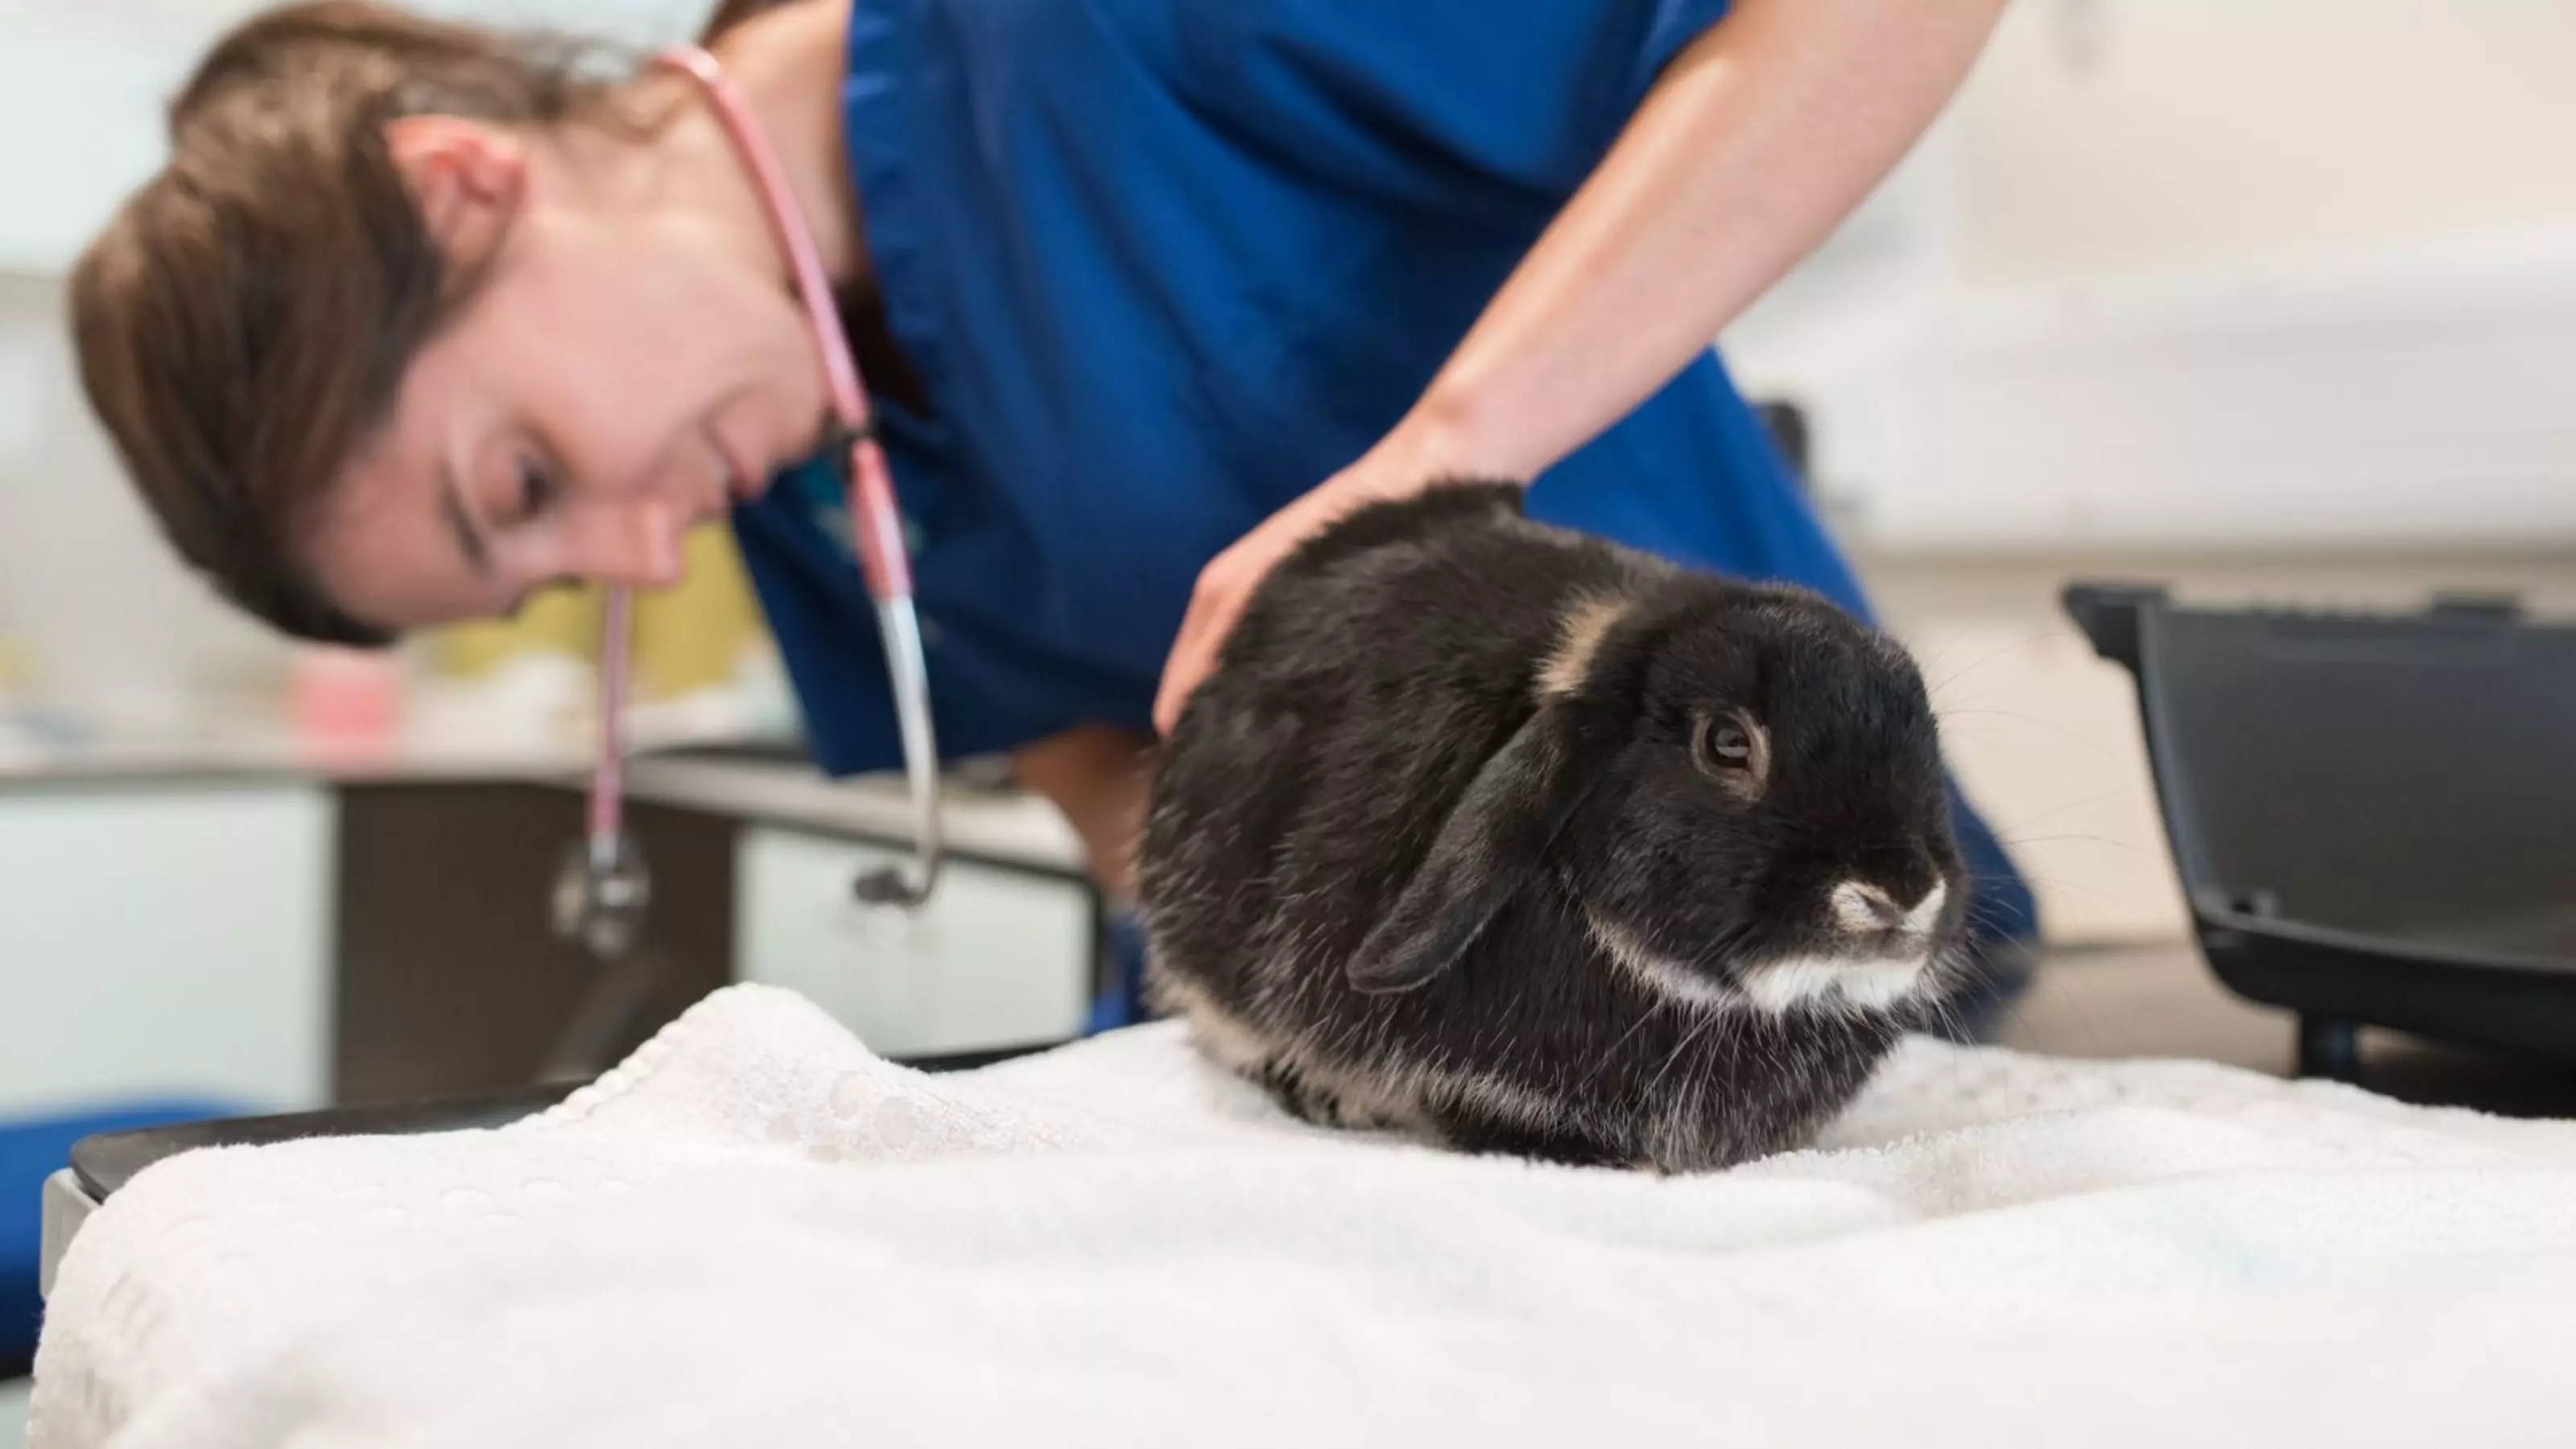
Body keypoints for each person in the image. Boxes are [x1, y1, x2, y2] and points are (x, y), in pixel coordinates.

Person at [69, 0, 2037, 1035]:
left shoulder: (1098, 30)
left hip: (1811, 950)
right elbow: (1104, 758)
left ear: (459, 192)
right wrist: (1251, 975)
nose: (643, 554)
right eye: (550, 571)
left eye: (522, 480)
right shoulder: (774, 448)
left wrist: (1453, 443)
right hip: (1367, 1106)